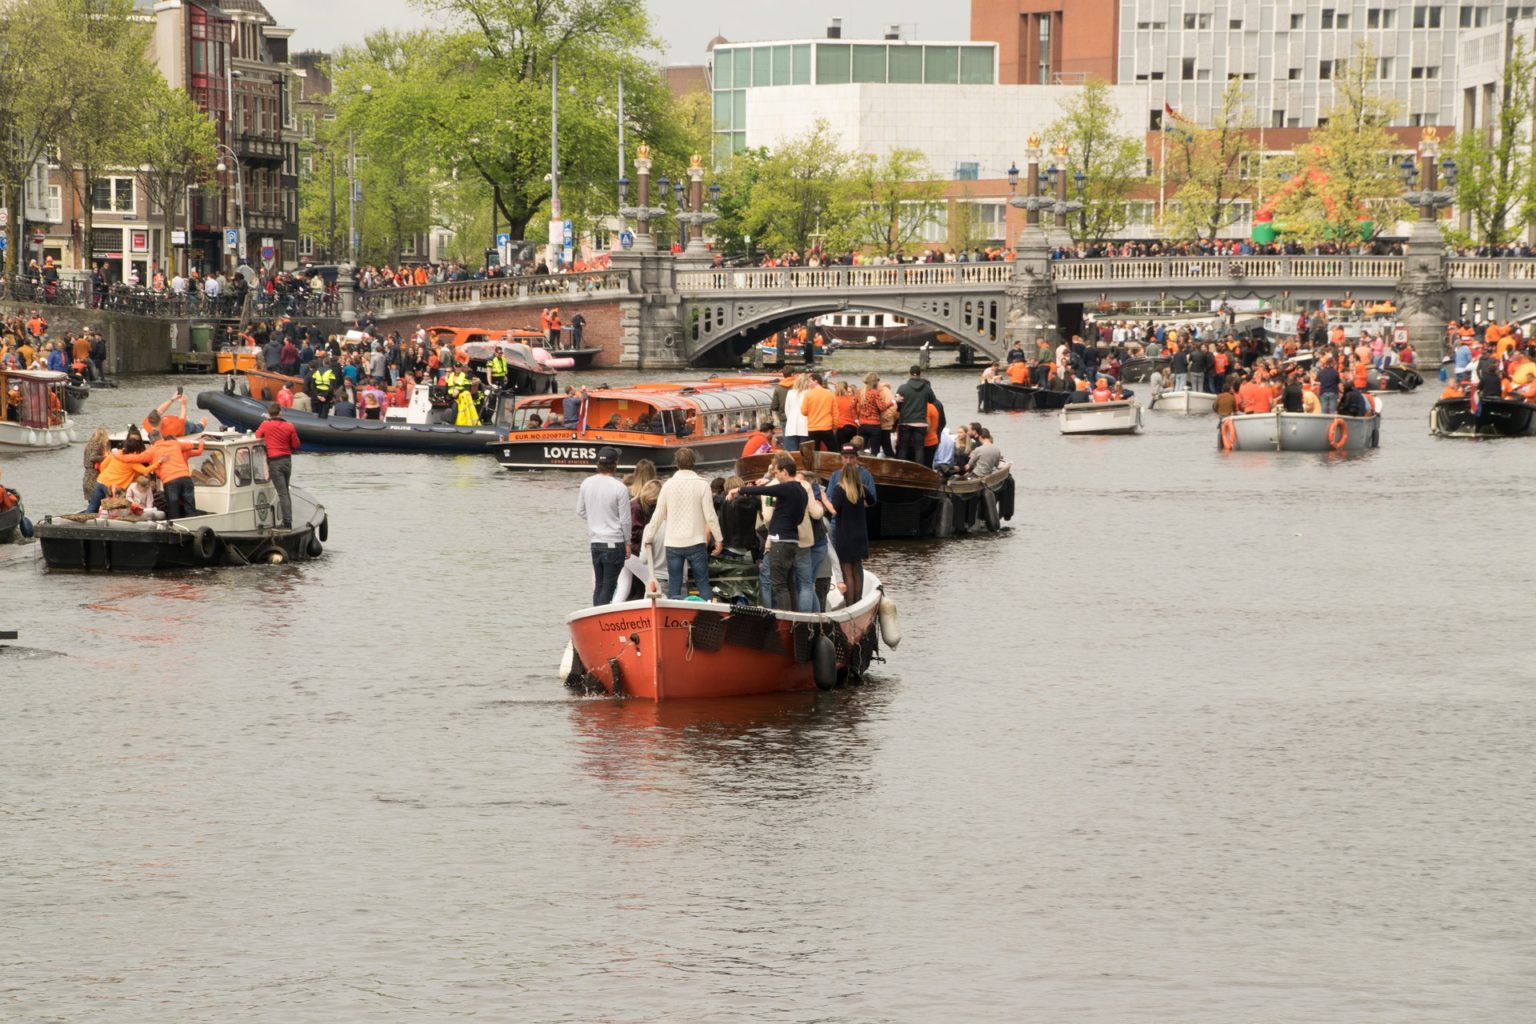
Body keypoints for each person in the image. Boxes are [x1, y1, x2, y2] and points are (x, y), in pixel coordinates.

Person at [728, 452, 809, 611]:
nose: (776, 477)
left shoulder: (787, 488)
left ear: (785, 471)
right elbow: (799, 519)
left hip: (780, 541)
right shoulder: (801, 490)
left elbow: (762, 491)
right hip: (792, 541)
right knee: (789, 583)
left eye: (777, 473)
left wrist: (738, 490)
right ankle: (795, 619)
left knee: (779, 585)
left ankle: (785, 620)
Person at [640, 447, 722, 600]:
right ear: (694, 463)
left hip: (673, 543)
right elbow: (710, 516)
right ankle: (709, 614)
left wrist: (649, 537)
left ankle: (673, 618)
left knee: (675, 584)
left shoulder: (667, 485)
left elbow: (658, 515)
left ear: (676, 463)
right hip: (696, 541)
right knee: (702, 582)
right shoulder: (702, 484)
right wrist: (718, 539)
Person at [576, 446, 632, 605]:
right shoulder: (619, 487)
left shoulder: (586, 483)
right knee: (609, 585)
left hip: (595, 542)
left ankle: (595, 615)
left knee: (599, 585)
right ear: (615, 463)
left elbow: (580, 511)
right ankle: (601, 618)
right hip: (614, 542)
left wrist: (595, 519)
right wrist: (627, 542)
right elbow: (625, 520)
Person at [822, 444, 875, 606]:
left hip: (844, 532)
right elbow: (872, 500)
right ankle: (858, 602)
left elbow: (834, 509)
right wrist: (856, 505)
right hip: (860, 532)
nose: (848, 460)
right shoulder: (861, 487)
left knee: (847, 571)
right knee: (856, 567)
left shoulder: (839, 488)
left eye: (851, 457)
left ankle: (850, 604)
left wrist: (823, 497)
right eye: (846, 457)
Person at [254, 402, 301, 528]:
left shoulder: (266, 424)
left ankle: (287, 523)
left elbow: (257, 436)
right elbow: (296, 445)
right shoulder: (290, 426)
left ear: (269, 414)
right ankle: (289, 519)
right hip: (287, 461)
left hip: (275, 462)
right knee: (286, 491)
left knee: (282, 493)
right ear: (280, 413)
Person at [146, 420, 205, 519]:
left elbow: (155, 467)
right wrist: (201, 442)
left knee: (173, 504)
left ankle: (175, 522)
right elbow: (198, 451)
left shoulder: (161, 452)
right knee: (189, 503)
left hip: (170, 480)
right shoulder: (184, 452)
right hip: (185, 478)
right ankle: (191, 520)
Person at [895, 365, 938, 463]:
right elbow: (933, 400)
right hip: (920, 423)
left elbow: (897, 404)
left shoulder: (902, 388)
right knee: (919, 449)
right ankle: (919, 471)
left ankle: (901, 469)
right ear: (920, 374)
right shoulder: (926, 388)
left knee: (903, 448)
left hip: (905, 422)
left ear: (909, 374)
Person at [82, 426, 110, 504]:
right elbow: (93, 457)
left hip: (87, 477)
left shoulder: (89, 445)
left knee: (91, 502)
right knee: (96, 502)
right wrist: (107, 458)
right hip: (94, 476)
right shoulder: (98, 444)